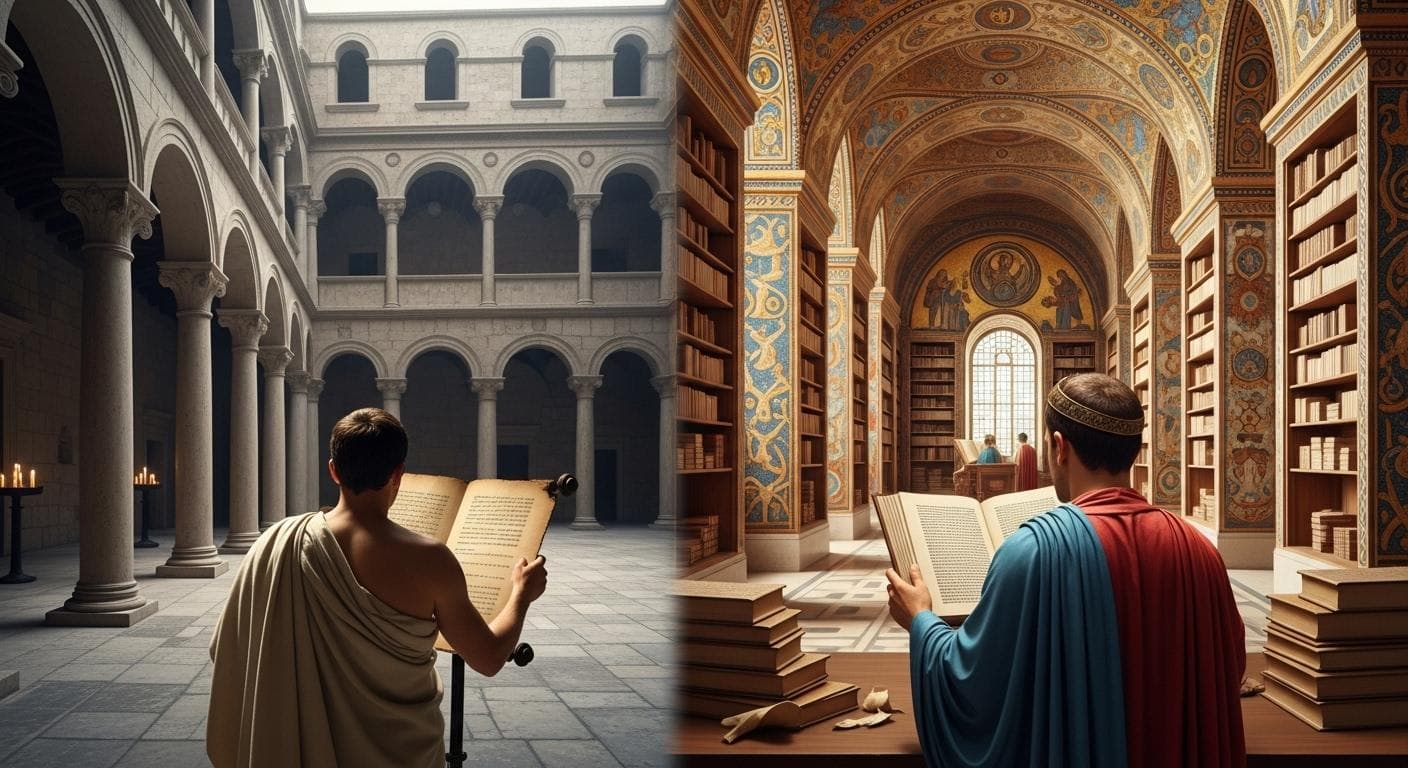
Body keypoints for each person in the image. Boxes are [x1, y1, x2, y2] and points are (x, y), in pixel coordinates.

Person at [887, 374, 1245, 768]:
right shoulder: (1199, 550)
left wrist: (921, 620)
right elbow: (1228, 668)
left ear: (1060, 447)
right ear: (1134, 449)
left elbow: (973, 683)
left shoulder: (1030, 552)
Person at [208, 408, 549, 768]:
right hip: (403, 751)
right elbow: (490, 657)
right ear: (398, 474)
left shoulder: (277, 542)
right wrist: (521, 594)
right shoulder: (432, 560)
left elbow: (229, 649)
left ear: (333, 470)